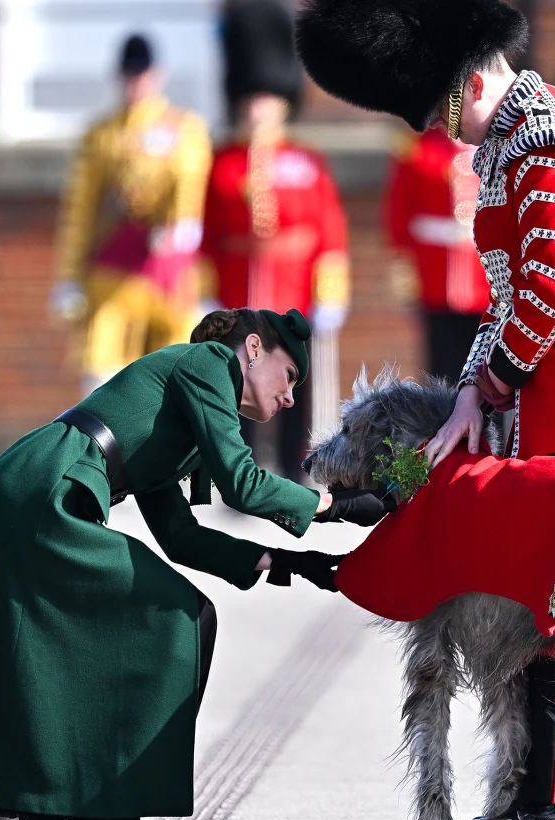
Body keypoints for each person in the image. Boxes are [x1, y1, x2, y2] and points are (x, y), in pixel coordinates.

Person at [297, 0, 555, 820]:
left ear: (476, 76)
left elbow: (552, 291)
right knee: (534, 568)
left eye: (449, 113)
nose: (450, 136)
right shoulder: (507, 141)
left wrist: (492, 384)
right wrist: (478, 391)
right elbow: (510, 297)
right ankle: (540, 785)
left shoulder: (549, 139)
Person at [0, 308, 394, 820]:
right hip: (40, 494)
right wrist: (333, 505)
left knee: (150, 622)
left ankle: (101, 807)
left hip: (32, 492)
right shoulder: (207, 364)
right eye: (290, 376)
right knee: (179, 618)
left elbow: (181, 537)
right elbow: (243, 486)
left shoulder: (193, 406)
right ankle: (109, 809)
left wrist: (288, 563)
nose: (291, 397)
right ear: (253, 349)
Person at [201, 0, 349, 482]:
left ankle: (292, 466)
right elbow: (207, 233)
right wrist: (205, 289)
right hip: (238, 290)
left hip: (292, 293)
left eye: (267, 99)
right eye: (251, 99)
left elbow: (328, 234)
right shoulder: (221, 162)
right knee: (235, 382)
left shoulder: (306, 162)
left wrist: (329, 293)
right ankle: (240, 469)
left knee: (293, 383)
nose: (258, 108)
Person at [50, 35, 213, 393]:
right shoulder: (101, 135)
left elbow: (192, 188)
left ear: (159, 75)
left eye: (142, 74)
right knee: (101, 372)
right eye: (130, 75)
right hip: (112, 267)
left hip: (165, 271)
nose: (136, 83)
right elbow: (81, 210)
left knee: (173, 371)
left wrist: (182, 228)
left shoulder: (185, 129)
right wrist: (70, 275)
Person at [383, 125, 490, 383]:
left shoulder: (496, 145)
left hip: (485, 280)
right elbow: (400, 216)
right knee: (441, 371)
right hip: (435, 277)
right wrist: (405, 271)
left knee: (487, 374)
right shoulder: (416, 149)